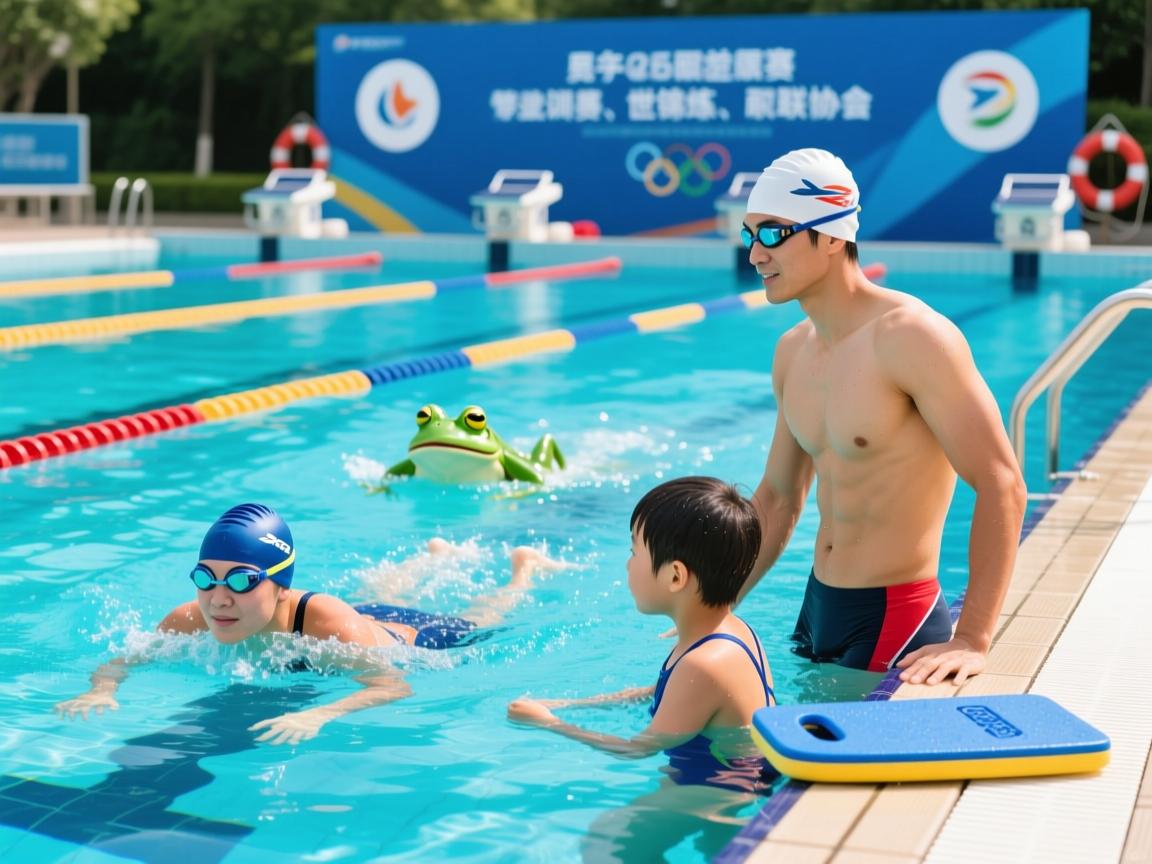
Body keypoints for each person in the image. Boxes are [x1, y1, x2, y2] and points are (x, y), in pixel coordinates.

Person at [738, 148, 1027, 685]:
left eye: (773, 233)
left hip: (897, 617)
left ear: (830, 236)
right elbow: (778, 496)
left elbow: (1001, 482)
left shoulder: (911, 337)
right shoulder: (793, 351)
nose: (755, 254)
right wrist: (721, 600)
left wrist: (972, 638)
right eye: (749, 234)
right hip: (816, 609)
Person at [57, 502, 566, 744]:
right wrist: (101, 689)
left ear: (280, 586)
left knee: (479, 618)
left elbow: (393, 685)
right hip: (357, 621)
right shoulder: (191, 616)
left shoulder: (320, 618)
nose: (218, 600)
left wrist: (319, 714)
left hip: (412, 638)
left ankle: (522, 571)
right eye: (205, 579)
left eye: (240, 582)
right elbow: (121, 661)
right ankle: (431, 556)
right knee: (375, 598)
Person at [508, 476, 776, 793]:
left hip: (719, 789)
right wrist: (566, 704)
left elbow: (636, 749)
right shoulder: (731, 630)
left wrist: (548, 723)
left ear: (675, 576)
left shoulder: (702, 664)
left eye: (635, 552)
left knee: (605, 839)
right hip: (733, 773)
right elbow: (656, 693)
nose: (627, 565)